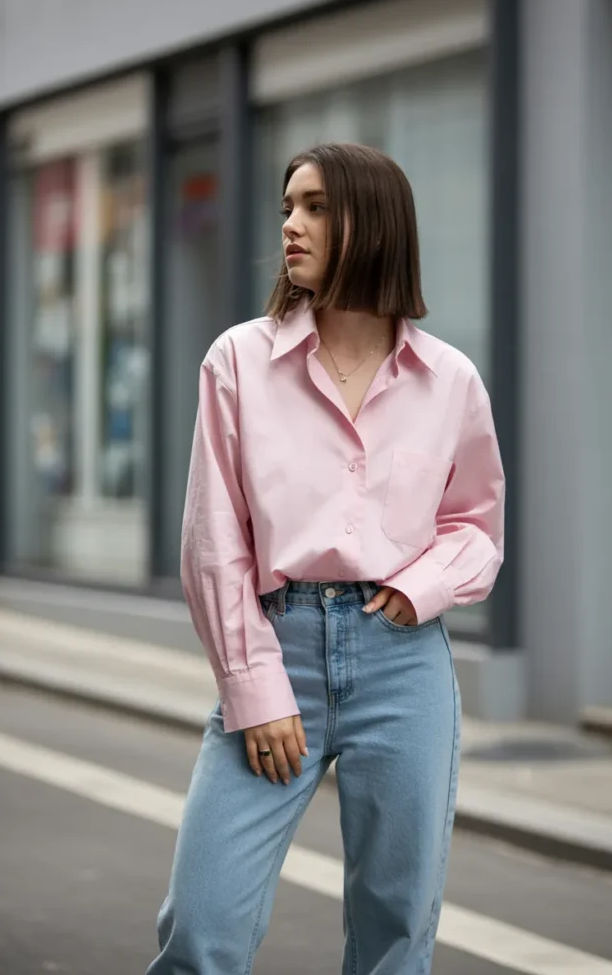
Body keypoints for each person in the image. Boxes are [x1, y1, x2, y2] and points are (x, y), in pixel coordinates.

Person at [147, 142, 505, 975]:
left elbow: (476, 527)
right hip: (279, 650)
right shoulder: (237, 360)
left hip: (403, 662)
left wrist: (422, 588)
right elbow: (213, 539)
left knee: (393, 930)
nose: (290, 227)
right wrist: (252, 685)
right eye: (286, 209)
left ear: (371, 224)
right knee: (202, 927)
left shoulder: (449, 380)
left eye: (314, 207)